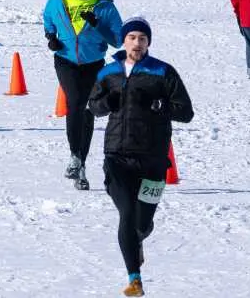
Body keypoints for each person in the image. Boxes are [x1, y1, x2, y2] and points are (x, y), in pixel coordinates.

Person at [88, 18, 194, 297]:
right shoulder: (108, 72)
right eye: (132, 37)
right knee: (126, 213)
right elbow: (94, 106)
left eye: (142, 39)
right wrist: (105, 103)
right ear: (124, 41)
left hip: (153, 160)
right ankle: (134, 278)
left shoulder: (162, 71)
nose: (137, 43)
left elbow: (185, 111)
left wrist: (160, 105)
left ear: (148, 43)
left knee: (141, 223)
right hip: (117, 156)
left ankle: (140, 237)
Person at [42, 0, 123, 191]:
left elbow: (117, 40)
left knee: (88, 110)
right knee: (76, 103)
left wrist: (97, 24)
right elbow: (48, 18)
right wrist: (51, 36)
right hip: (65, 61)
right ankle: (74, 156)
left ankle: (81, 165)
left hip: (93, 64)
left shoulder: (104, 6)